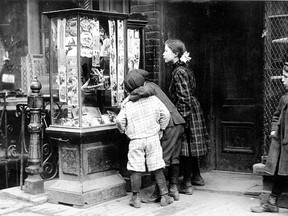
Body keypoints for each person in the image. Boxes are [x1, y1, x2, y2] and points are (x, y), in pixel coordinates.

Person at [125, 69, 185, 201]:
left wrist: (127, 99)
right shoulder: (152, 85)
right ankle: (173, 189)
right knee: (174, 158)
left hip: (169, 124)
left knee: (162, 159)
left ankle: (160, 193)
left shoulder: (148, 87)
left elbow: (143, 92)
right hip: (178, 122)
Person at [116, 72, 174, 208]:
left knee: (136, 168)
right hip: (153, 137)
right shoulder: (153, 99)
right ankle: (165, 197)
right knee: (157, 166)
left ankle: (135, 198)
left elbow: (119, 120)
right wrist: (161, 128)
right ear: (143, 84)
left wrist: (123, 130)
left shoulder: (127, 103)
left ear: (128, 88)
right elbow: (165, 114)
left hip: (136, 139)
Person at [163, 39, 211, 195]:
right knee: (190, 145)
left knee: (185, 146)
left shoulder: (179, 72)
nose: (163, 54)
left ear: (175, 54)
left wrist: (182, 119)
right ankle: (196, 177)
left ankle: (188, 183)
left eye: (166, 51)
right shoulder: (184, 68)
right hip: (192, 108)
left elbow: (184, 97)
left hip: (186, 110)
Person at [251, 62, 288, 213]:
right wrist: (274, 130)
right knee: (281, 172)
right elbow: (276, 116)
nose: (282, 80)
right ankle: (271, 202)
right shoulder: (284, 98)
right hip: (283, 143)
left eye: (286, 77)